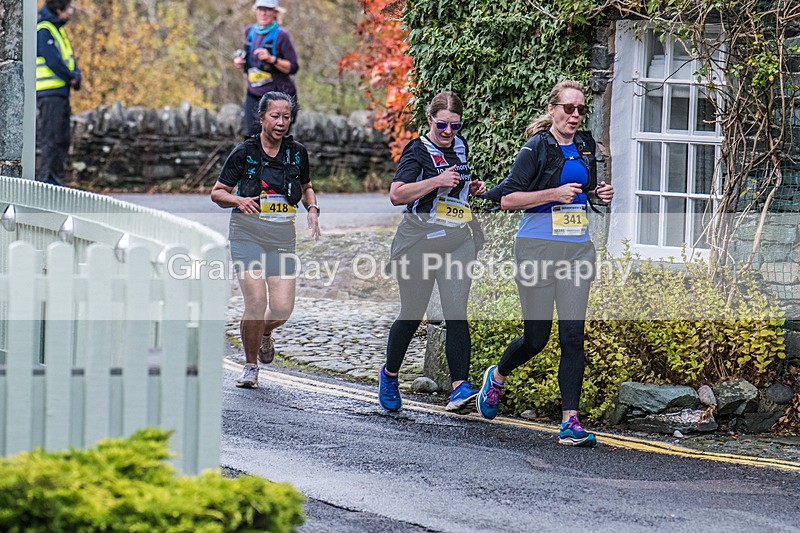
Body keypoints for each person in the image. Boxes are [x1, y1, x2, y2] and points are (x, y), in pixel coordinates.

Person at [476, 80, 614, 446]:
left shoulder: (584, 146)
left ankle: (570, 421)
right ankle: (499, 375)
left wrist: (598, 194)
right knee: (536, 337)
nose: (575, 115)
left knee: (572, 335)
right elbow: (506, 200)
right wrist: (552, 194)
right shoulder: (535, 148)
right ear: (552, 110)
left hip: (576, 251)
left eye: (581, 109)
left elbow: (583, 193)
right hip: (537, 249)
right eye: (568, 108)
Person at [379, 91, 487, 413]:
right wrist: (436, 180)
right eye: (442, 125)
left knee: (456, 312)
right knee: (412, 315)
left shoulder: (461, 145)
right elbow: (397, 195)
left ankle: (458, 388)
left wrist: (473, 187)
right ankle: (390, 374)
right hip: (420, 243)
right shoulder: (417, 150)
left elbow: (457, 190)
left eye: (455, 126)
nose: (448, 132)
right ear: (430, 120)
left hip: (457, 239)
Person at [211, 92, 320, 388]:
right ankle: (250, 366)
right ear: (261, 118)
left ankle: (262, 334)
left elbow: (306, 185)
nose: (281, 123)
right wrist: (238, 200)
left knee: (283, 308)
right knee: (256, 302)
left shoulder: (297, 153)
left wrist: (311, 208)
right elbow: (217, 192)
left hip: (282, 236)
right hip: (247, 234)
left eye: (286, 117)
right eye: (275, 116)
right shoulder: (244, 152)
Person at [233, 0, 299, 136]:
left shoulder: (282, 36)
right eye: (260, 9)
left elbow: (293, 67)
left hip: (279, 96)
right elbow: (250, 61)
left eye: (267, 9)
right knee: (252, 137)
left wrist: (271, 59)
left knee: (276, 138)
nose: (263, 13)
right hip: (254, 94)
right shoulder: (250, 31)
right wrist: (240, 62)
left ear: (275, 12)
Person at [36, 0, 81, 186]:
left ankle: (56, 182)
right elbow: (53, 60)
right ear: (58, 9)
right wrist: (70, 77)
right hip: (49, 93)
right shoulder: (44, 30)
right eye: (68, 8)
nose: (71, 12)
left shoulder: (57, 30)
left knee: (61, 140)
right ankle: (47, 184)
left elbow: (69, 58)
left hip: (60, 93)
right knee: (51, 140)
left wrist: (76, 76)